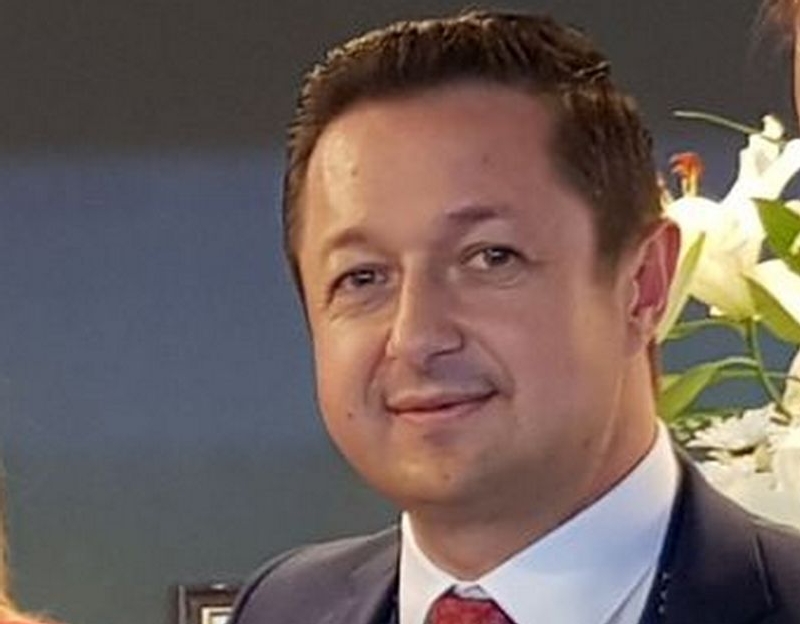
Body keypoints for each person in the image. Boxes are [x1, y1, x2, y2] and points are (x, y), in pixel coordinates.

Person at [231, 10, 800, 624]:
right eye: (363, 277)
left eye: (490, 257)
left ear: (644, 284)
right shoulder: (283, 608)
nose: (415, 337)